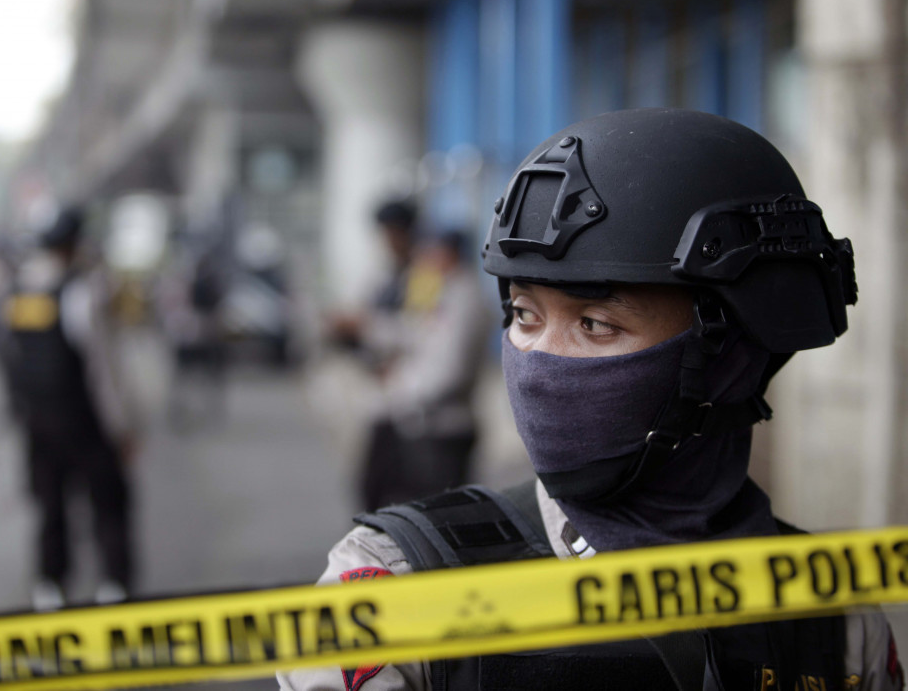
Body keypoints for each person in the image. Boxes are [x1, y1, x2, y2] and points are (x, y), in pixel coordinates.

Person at [279, 109, 903, 690]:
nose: (542, 363)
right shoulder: (390, 581)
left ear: (731, 358)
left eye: (596, 324)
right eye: (524, 315)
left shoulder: (837, 625)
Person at [0, 206, 137, 611]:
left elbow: (9, 355)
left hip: (38, 422)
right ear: (74, 244)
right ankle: (115, 588)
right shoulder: (80, 290)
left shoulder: (17, 291)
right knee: (108, 504)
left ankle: (50, 588)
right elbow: (100, 366)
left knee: (50, 507)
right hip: (85, 419)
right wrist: (123, 426)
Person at [357, 229, 490, 509]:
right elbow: (412, 334)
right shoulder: (444, 291)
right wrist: (368, 327)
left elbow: (449, 373)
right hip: (419, 424)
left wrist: (397, 385)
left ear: (448, 254)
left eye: (428, 253)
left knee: (438, 514)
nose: (422, 263)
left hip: (443, 431)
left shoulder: (466, 301)